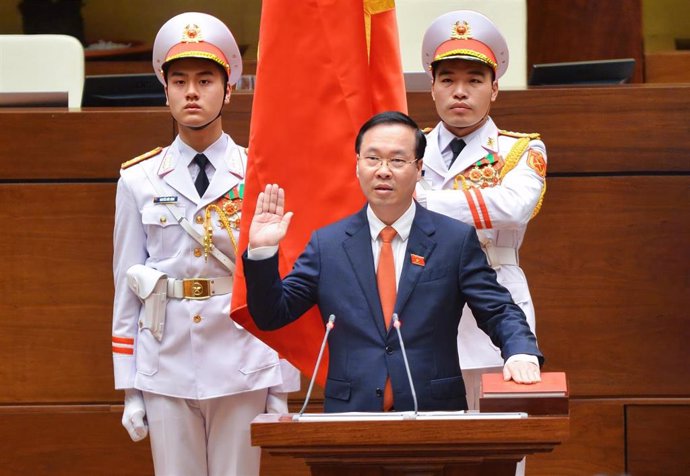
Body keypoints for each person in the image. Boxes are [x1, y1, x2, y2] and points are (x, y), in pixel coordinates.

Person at [243, 111, 542, 413]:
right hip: (350, 417)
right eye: (372, 159)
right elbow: (272, 314)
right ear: (357, 166)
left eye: (397, 161)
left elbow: (498, 309)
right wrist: (261, 253)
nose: (383, 171)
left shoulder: (453, 240)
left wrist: (520, 353)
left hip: (433, 413)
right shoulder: (328, 245)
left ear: (419, 168)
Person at [111, 12, 299, 476]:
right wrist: (129, 386)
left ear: (229, 89)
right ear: (166, 90)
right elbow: (126, 283)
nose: (191, 91)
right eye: (179, 80)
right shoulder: (138, 178)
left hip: (243, 359)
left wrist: (282, 382)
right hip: (166, 357)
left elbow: (282, 277)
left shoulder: (257, 171)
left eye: (205, 79)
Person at [415, 10, 548, 411]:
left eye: (474, 80)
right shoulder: (408, 148)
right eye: (448, 80)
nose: (460, 91)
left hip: (496, 293)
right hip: (425, 295)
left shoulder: (520, 149)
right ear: (432, 88)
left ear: (494, 89)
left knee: (502, 435)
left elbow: (513, 207)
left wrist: (424, 201)